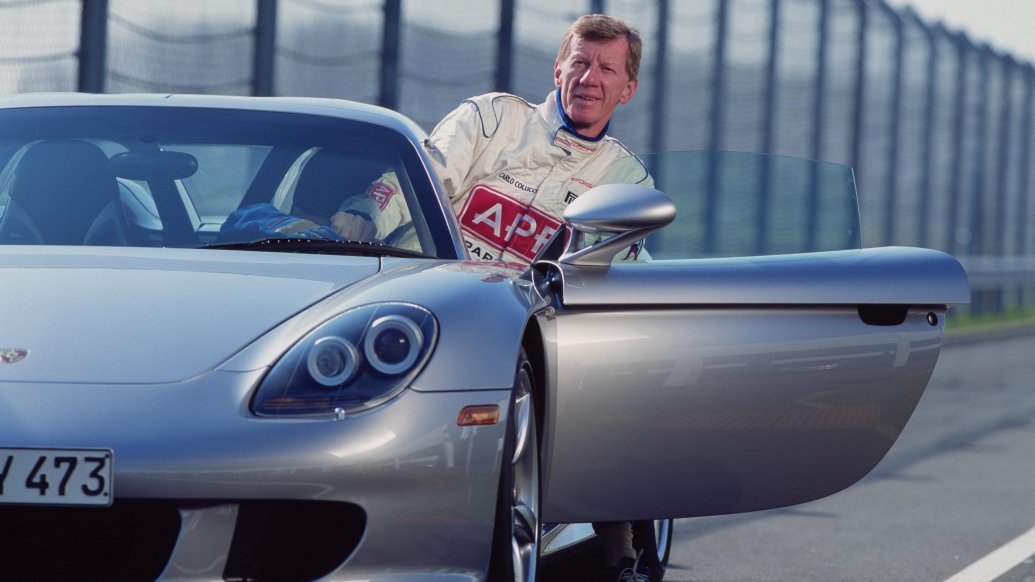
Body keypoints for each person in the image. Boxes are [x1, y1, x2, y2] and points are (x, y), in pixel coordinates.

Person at [332, 13, 656, 582]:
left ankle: (621, 551)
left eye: (607, 68)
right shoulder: (491, 118)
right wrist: (358, 222)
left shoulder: (627, 179)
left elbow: (597, 273)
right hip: (428, 301)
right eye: (580, 61)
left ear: (627, 88)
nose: (589, 77)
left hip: (538, 333)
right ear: (558, 68)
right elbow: (417, 184)